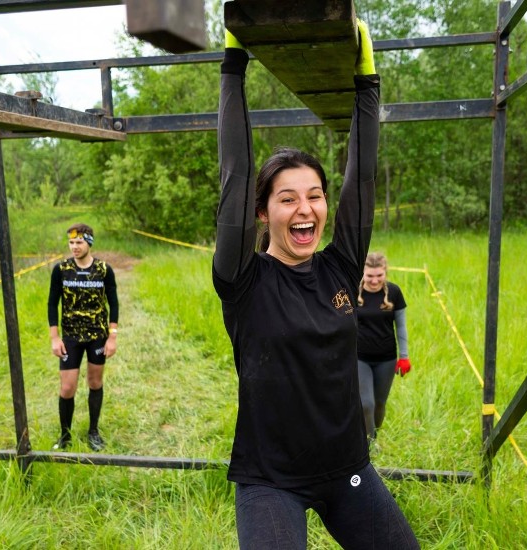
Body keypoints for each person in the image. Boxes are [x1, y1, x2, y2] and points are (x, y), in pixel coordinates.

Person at [214, 21, 419, 549]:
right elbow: (235, 174)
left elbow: (364, 175)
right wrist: (233, 67)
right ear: (262, 213)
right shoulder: (242, 278)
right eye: (287, 198)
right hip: (270, 481)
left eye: (315, 195)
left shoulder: (341, 266)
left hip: (347, 470)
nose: (305, 209)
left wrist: (367, 83)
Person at [47, 223, 118, 452]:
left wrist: (112, 336)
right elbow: (52, 303)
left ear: (89, 242)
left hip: (97, 335)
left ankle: (93, 432)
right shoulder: (61, 269)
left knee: (95, 382)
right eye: (71, 242)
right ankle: (65, 435)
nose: (74, 246)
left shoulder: (104, 270)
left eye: (79, 242)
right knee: (67, 388)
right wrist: (54, 338)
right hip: (70, 337)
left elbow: (113, 303)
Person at [356, 252, 411, 446]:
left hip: (386, 359)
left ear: (385, 272)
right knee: (366, 403)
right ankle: (369, 446)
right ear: (363, 273)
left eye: (379, 275)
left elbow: (401, 326)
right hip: (359, 357)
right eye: (370, 275)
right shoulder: (354, 292)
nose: (374, 280)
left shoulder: (394, 292)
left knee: (379, 404)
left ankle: (375, 434)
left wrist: (404, 356)